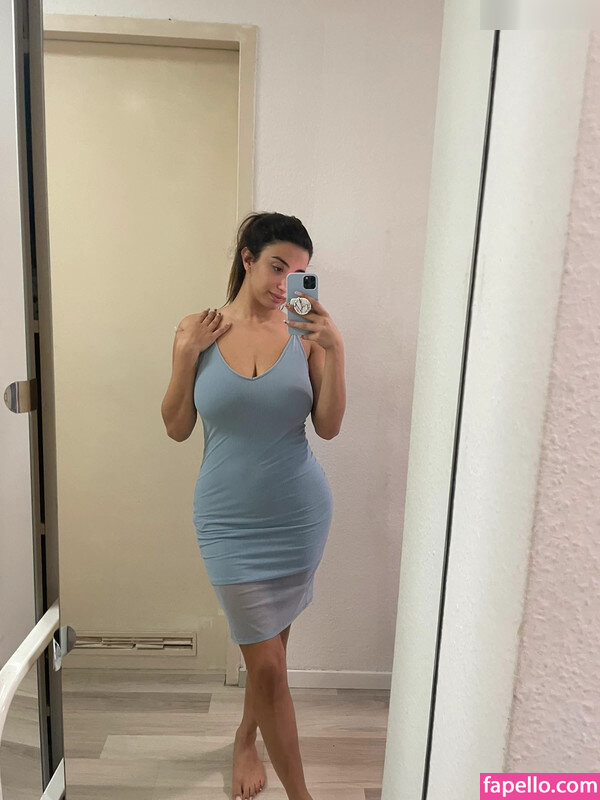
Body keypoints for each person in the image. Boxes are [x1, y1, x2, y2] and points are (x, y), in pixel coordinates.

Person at [161, 211, 346, 800]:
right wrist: (187, 354)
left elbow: (329, 426)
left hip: (298, 517)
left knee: (272, 657)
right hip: (228, 523)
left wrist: (335, 349)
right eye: (276, 266)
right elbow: (176, 427)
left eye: (298, 273)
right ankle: (301, 794)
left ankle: (247, 736)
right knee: (266, 664)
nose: (285, 283)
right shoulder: (197, 329)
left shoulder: (304, 334)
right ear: (247, 258)